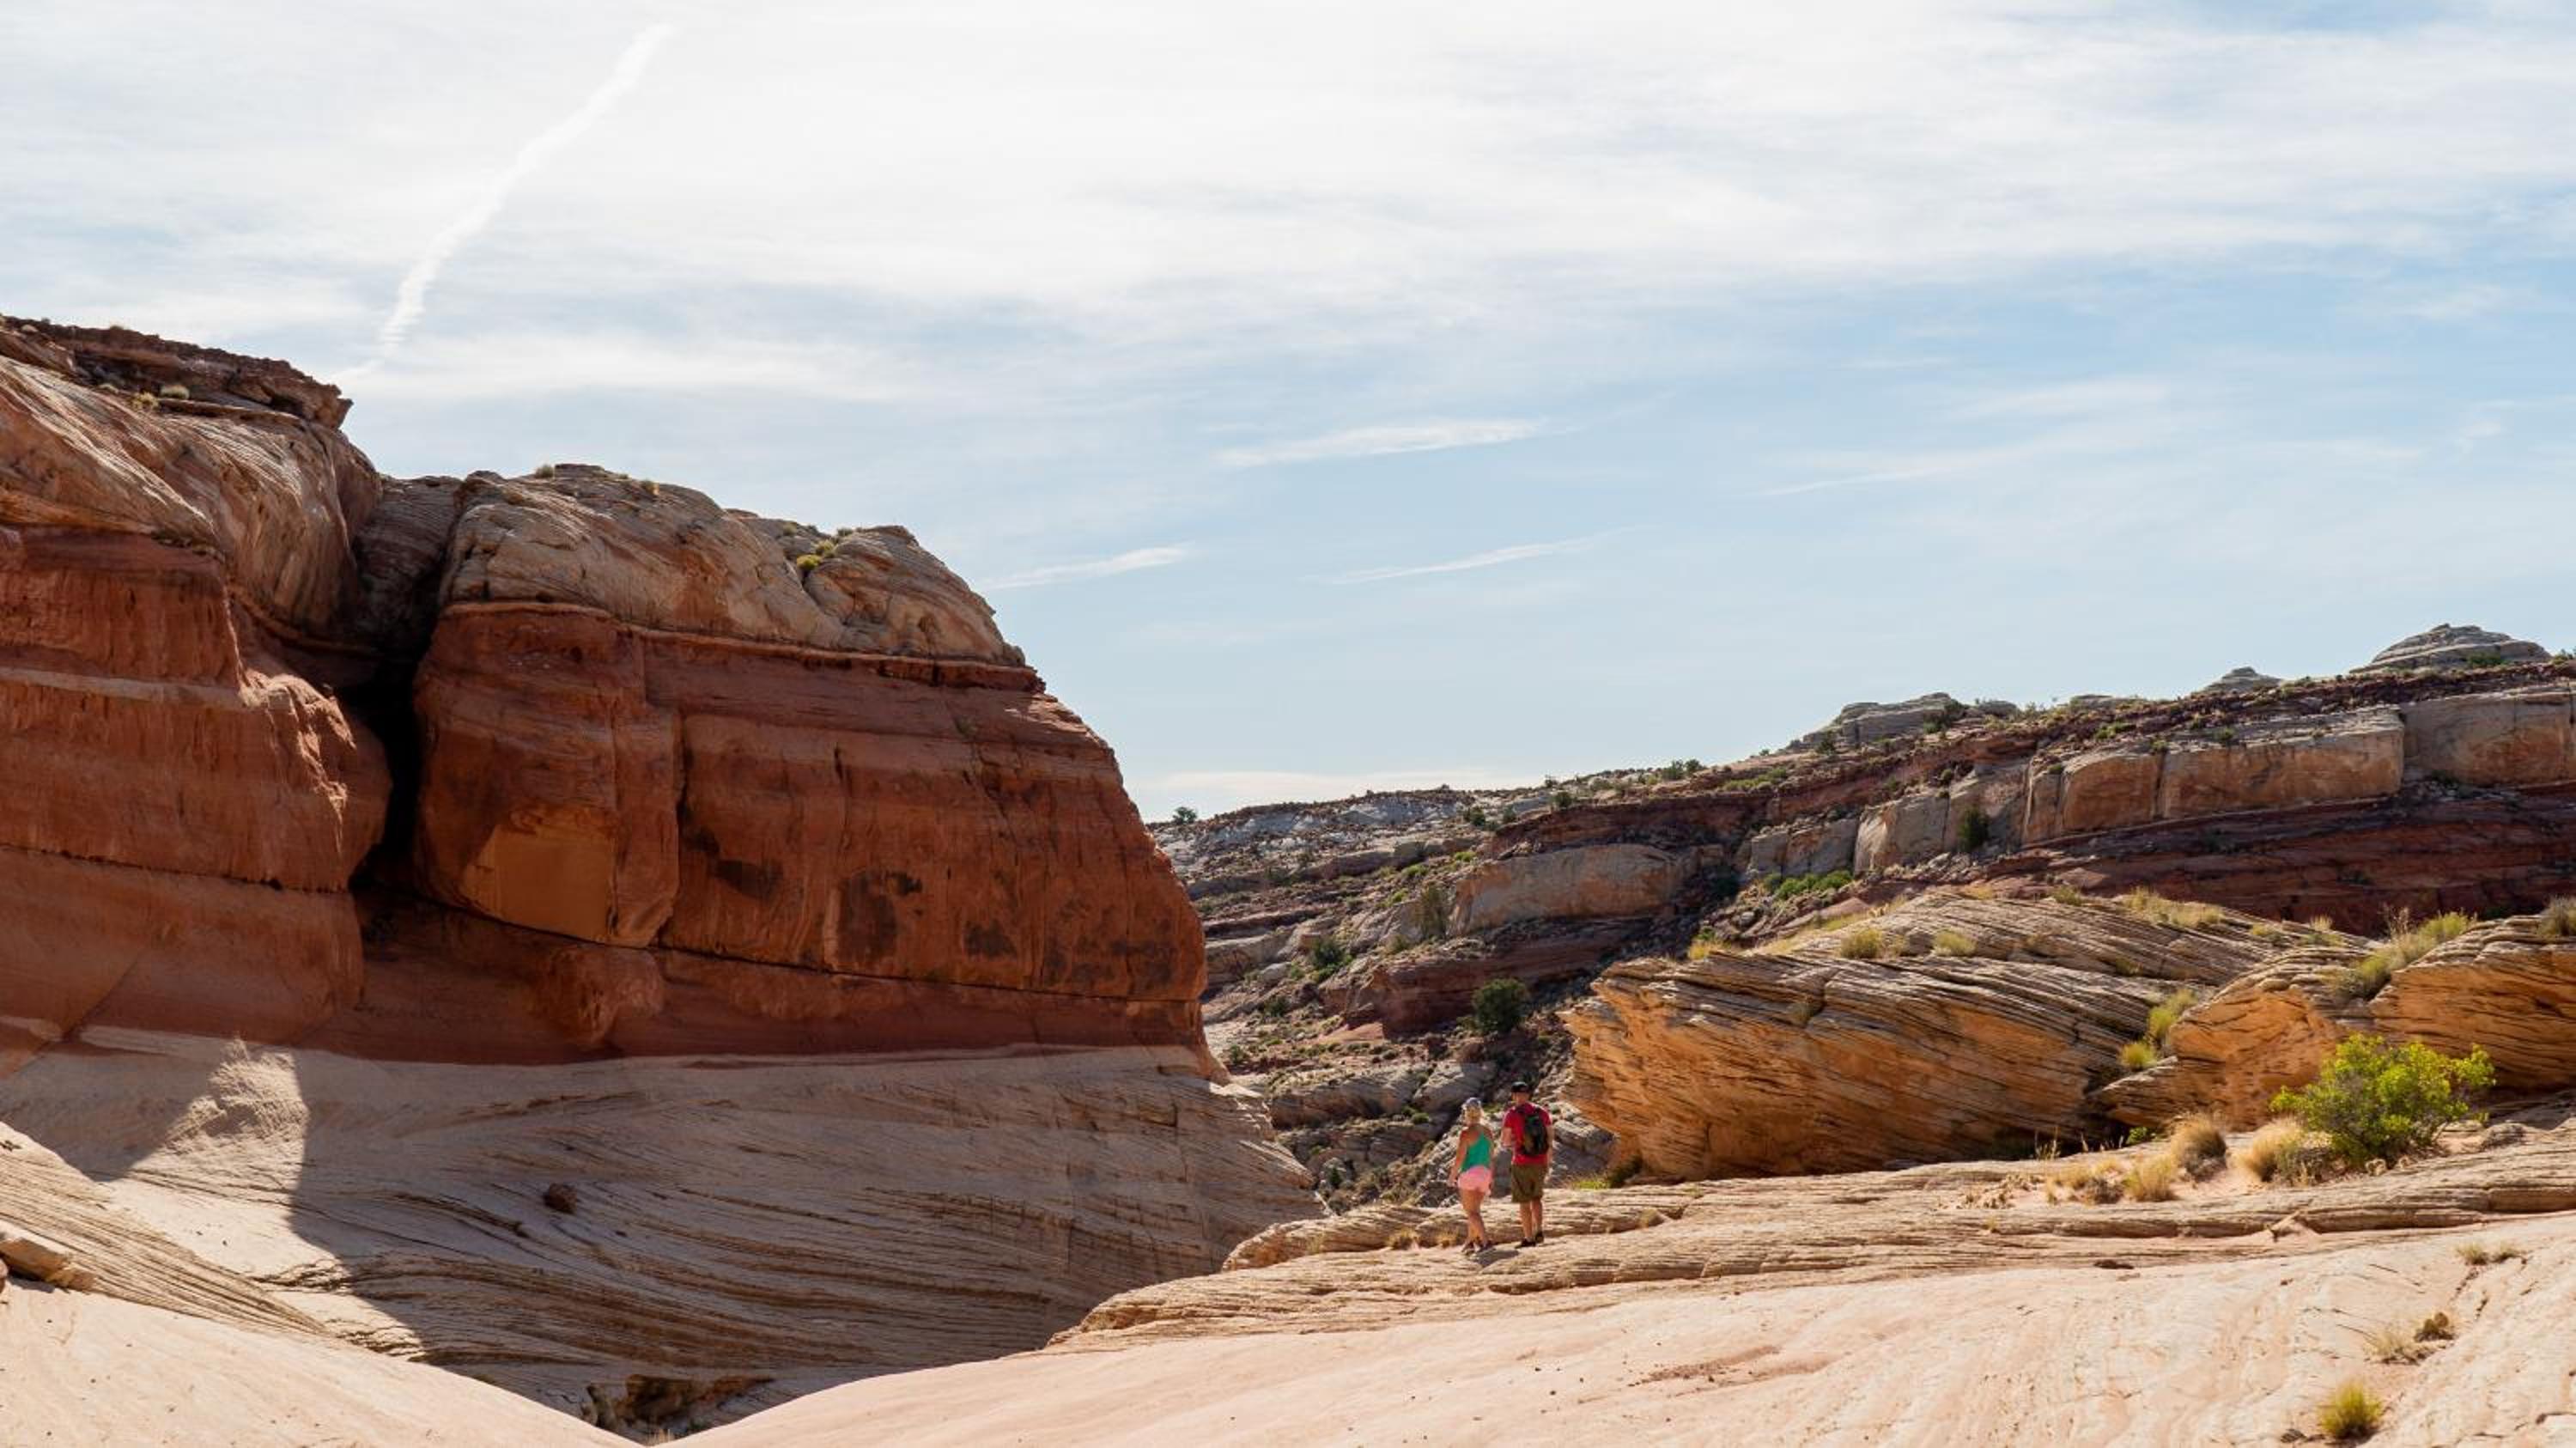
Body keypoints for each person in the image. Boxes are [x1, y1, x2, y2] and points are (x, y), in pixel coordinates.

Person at [1499, 1080, 1552, 1247]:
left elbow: (1505, 1142)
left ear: (1514, 1096)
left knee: (1524, 1202)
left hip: (1521, 1162)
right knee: (1537, 1199)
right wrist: (1547, 1162)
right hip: (1540, 1161)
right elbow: (1550, 1139)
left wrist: (1516, 1140)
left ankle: (1528, 1239)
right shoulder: (1541, 1111)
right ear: (1528, 1094)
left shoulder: (1512, 1114)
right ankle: (1540, 1230)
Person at [1450, 1100, 1498, 1254]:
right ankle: (1470, 1242)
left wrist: (1452, 1176)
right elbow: (1491, 1158)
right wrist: (1491, 1178)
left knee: (1471, 1212)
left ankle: (1485, 1242)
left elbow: (1459, 1159)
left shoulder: (1466, 1132)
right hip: (1485, 1174)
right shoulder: (1488, 1131)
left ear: (1466, 1113)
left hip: (1470, 1174)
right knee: (1475, 1211)